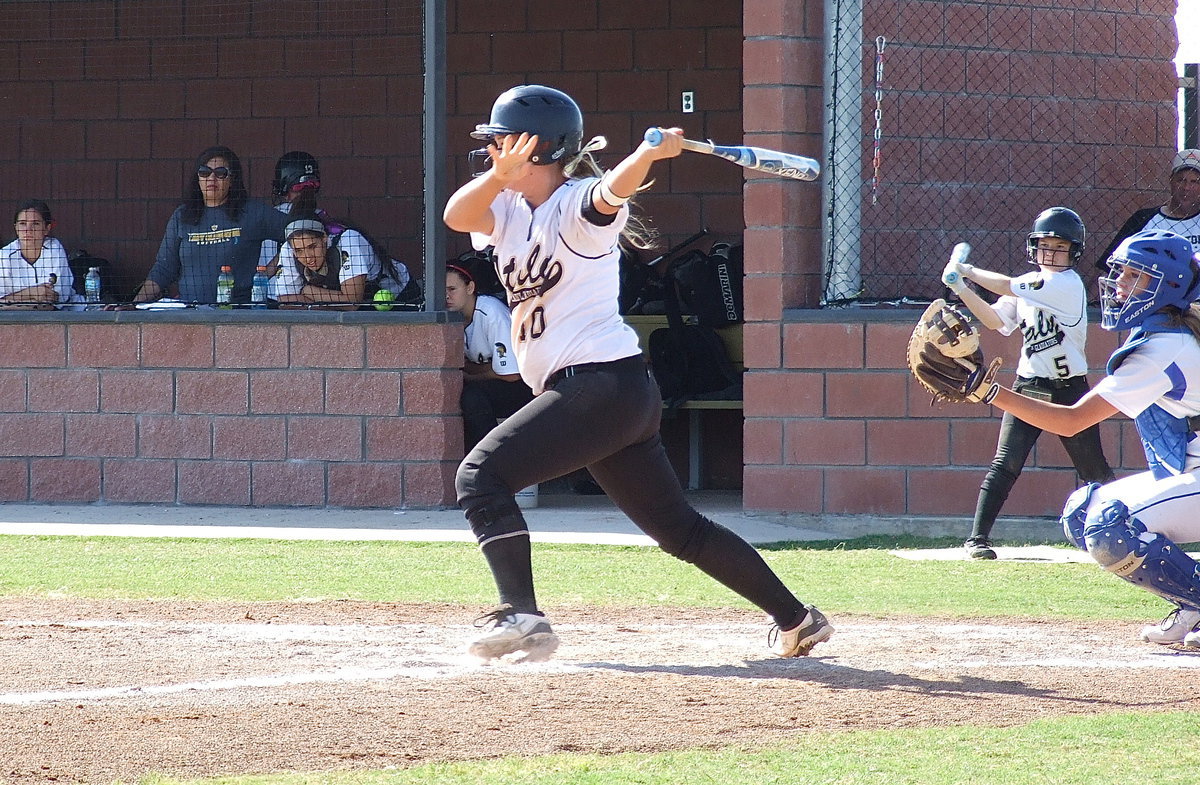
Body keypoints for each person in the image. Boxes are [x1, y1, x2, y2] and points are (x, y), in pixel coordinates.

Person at [442, 84, 832, 662]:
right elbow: (457, 214)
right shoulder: (501, 208)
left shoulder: (576, 208)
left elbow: (609, 191)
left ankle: (521, 616)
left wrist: (648, 155)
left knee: (480, 477)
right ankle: (798, 620)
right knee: (680, 531)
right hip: (608, 394)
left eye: (502, 140)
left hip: (599, 384)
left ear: (538, 148)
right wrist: (503, 174)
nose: (493, 150)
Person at [946, 229, 1200, 647]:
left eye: (1134, 277)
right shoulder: (1166, 334)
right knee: (1083, 512)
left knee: (1109, 524)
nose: (1118, 285)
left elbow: (1071, 421)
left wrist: (988, 393)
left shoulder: (1164, 348)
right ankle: (1192, 604)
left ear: (1167, 286)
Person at [943, 208, 1115, 559]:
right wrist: (961, 288)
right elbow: (995, 320)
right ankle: (977, 538)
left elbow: (1005, 285)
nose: (1051, 253)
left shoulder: (1065, 284)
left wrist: (967, 271)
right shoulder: (1029, 285)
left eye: (1060, 247)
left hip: (1069, 390)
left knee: (1093, 470)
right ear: (1033, 247)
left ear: (1074, 252)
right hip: (1029, 385)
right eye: (1044, 245)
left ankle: (1124, 531)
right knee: (1005, 463)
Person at [134, 146, 287, 305]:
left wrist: (267, 272)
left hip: (240, 313)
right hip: (191, 314)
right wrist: (134, 304)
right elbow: (164, 269)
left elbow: (298, 232)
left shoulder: (253, 212)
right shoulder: (182, 216)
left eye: (220, 173)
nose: (211, 178)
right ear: (198, 178)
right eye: (204, 172)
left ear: (232, 179)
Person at [446, 263, 534, 452]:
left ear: (470, 288)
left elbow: (511, 374)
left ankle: (493, 457)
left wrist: (472, 375)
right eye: (443, 290)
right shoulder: (453, 318)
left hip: (526, 388)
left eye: (452, 289)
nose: (447, 296)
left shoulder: (491, 311)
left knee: (472, 397)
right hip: (495, 383)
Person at [1096, 149, 1200, 270]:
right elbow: (1107, 266)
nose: (1186, 187)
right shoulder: (1144, 219)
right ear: (1171, 181)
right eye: (1181, 180)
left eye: (1195, 182)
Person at [0, 200, 75, 309]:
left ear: (46, 228)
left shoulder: (54, 248)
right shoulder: (4, 255)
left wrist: (13, 302)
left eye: (35, 224)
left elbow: (54, 302)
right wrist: (31, 293)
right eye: (22, 223)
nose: (28, 230)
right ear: (16, 228)